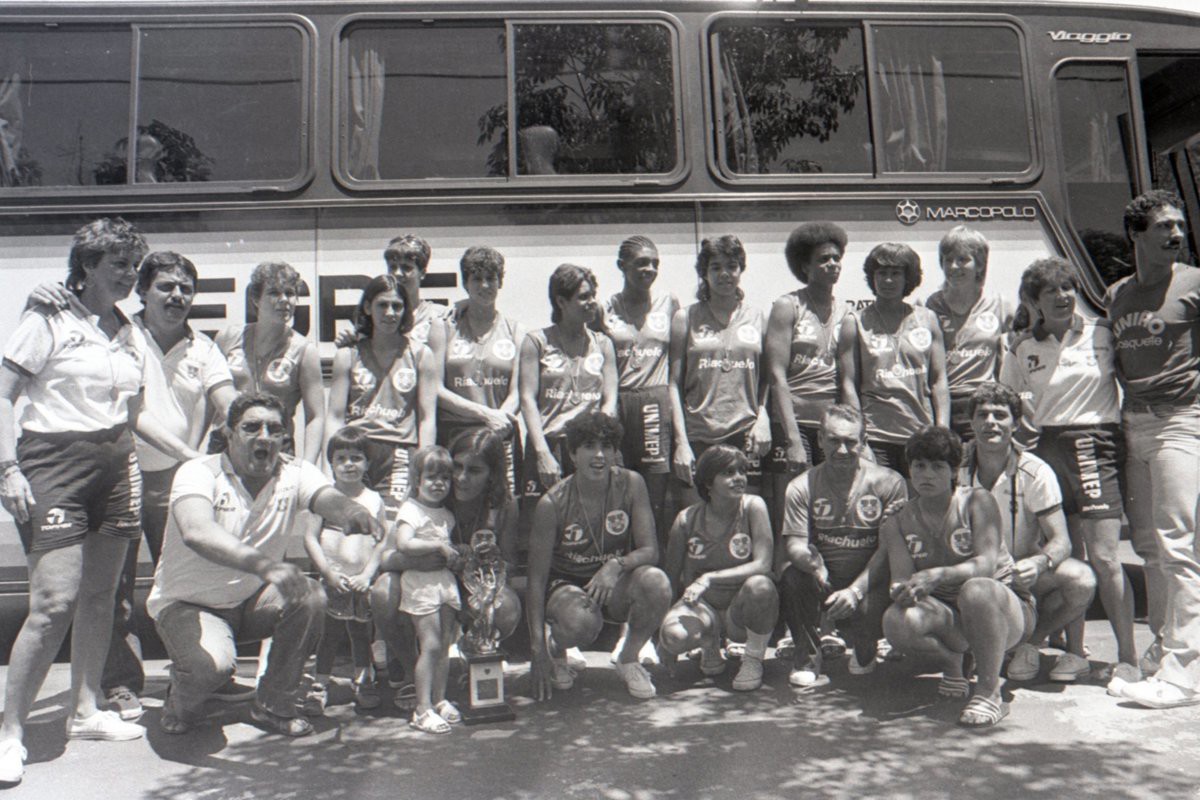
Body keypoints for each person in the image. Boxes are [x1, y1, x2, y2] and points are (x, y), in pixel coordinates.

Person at [0, 219, 203, 784]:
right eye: (117, 263)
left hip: (116, 467)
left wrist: (192, 455)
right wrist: (7, 468)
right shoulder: (47, 317)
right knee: (52, 604)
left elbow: (135, 416)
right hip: (53, 467)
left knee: (98, 599)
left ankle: (84, 710)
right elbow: (3, 393)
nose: (128, 274)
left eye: (132, 265)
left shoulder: (128, 331)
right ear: (86, 266)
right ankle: (8, 731)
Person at [25, 249, 240, 721]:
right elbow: (126, 407)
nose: (177, 296)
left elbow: (228, 401)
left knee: (189, 581)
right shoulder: (120, 333)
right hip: (121, 474)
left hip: (178, 483)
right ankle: (119, 684)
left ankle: (203, 672)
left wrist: (244, 421)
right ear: (142, 291)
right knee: (113, 590)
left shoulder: (202, 347)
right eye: (165, 286)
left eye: (185, 288)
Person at [147, 393, 382, 738]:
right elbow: (197, 531)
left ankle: (273, 704)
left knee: (310, 595)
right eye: (251, 427)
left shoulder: (295, 471)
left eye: (274, 429)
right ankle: (182, 696)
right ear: (229, 433)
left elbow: (326, 498)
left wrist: (352, 513)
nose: (264, 437)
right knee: (208, 669)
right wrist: (265, 567)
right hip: (188, 605)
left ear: (285, 437)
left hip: (251, 602)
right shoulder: (198, 471)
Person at [1000, 257, 1139, 686]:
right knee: (1068, 557)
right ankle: (1074, 652)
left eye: (1068, 288)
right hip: (1047, 448)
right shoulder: (1023, 346)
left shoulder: (1102, 330)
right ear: (1034, 302)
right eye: (1051, 292)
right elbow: (1008, 400)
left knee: (1106, 558)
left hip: (1095, 444)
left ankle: (1129, 659)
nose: (1062, 297)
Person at [1106, 190, 1200, 708]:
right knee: (1150, 550)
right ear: (1137, 236)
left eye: (1180, 225)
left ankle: (1185, 674)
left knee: (1178, 545)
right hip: (1133, 426)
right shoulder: (1117, 294)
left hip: (1180, 424)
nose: (1177, 235)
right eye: (1164, 226)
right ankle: (1166, 651)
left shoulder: (1193, 283)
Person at [881, 426, 1031, 728]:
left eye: (937, 466)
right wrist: (902, 591)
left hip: (1003, 610)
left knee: (976, 589)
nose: (927, 474)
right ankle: (954, 661)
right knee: (896, 620)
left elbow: (986, 565)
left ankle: (990, 693)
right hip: (950, 615)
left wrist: (937, 575)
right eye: (919, 465)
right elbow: (900, 578)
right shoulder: (897, 519)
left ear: (953, 471)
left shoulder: (977, 501)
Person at [369, 428, 523, 711]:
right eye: (458, 467)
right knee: (382, 592)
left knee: (506, 606)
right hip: (423, 581)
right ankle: (410, 669)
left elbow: (508, 564)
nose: (461, 478)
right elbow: (386, 558)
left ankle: (474, 654)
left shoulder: (503, 505)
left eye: (474, 470)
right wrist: (420, 560)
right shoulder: (430, 493)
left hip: (468, 587)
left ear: (492, 473)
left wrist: (479, 566)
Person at [526, 412, 671, 700]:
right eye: (589, 446)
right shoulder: (552, 503)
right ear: (572, 453)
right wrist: (537, 650)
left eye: (607, 447)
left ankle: (628, 658)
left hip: (611, 583)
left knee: (657, 582)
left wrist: (616, 565)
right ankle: (558, 649)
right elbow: (536, 580)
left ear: (616, 452)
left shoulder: (632, 484)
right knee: (580, 622)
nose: (599, 455)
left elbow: (650, 550)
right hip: (567, 587)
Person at [960, 383, 1096, 683]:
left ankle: (1028, 643)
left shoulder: (1036, 471)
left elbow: (1062, 540)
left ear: (1015, 423)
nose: (990, 422)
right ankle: (975, 649)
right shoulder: (954, 467)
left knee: (1081, 579)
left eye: (1000, 415)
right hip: (970, 575)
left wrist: (1040, 563)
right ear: (971, 423)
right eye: (982, 415)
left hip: (1020, 576)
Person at [778, 404, 907, 687]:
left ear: (864, 443)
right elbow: (796, 545)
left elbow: (890, 550)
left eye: (850, 442)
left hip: (869, 580)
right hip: (824, 577)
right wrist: (811, 563)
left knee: (863, 656)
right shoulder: (801, 486)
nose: (842, 450)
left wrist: (856, 590)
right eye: (834, 440)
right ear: (820, 439)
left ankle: (866, 646)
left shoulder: (889, 482)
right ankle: (807, 657)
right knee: (792, 577)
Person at [658, 445, 777, 691]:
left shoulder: (754, 506)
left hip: (740, 611)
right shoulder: (686, 519)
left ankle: (753, 659)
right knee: (674, 636)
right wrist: (662, 639)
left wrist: (710, 577)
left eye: (742, 472)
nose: (739, 479)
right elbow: (669, 579)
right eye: (728, 473)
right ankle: (709, 644)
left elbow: (763, 564)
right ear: (708, 483)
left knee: (762, 586)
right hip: (702, 607)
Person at [669, 235, 771, 508]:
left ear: (741, 270)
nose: (725, 274)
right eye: (716, 267)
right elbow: (673, 386)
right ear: (704, 273)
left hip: (745, 435)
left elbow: (767, 381)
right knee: (697, 521)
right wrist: (681, 442)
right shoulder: (685, 318)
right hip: (699, 435)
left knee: (745, 520)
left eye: (732, 266)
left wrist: (763, 419)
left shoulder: (758, 317)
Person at [839, 243, 950, 476]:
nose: (888, 280)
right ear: (872, 277)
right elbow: (848, 383)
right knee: (879, 505)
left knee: (921, 506)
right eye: (881, 273)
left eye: (895, 273)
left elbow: (939, 380)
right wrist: (859, 436)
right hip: (877, 436)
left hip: (921, 434)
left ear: (908, 277)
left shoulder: (928, 319)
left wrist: (942, 431)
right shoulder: (855, 322)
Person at [326, 274, 438, 501]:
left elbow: (427, 417)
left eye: (397, 306)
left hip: (399, 452)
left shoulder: (421, 355)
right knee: (353, 523)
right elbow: (335, 416)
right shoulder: (348, 355)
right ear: (367, 307)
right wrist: (331, 462)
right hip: (355, 450)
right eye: (382, 305)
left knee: (392, 522)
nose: (390, 313)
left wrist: (422, 465)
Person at [598, 235, 680, 545]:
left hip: (654, 404)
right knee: (617, 491)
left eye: (655, 263)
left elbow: (679, 361)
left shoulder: (668, 302)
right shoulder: (605, 307)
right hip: (619, 404)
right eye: (641, 262)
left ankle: (652, 568)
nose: (649, 269)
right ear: (622, 266)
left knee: (654, 496)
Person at [303, 427, 388, 714]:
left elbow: (382, 540)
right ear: (331, 463)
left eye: (356, 457)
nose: (349, 464)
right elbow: (310, 538)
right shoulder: (324, 498)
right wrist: (326, 572)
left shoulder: (374, 499)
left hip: (360, 581)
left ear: (367, 463)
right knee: (329, 635)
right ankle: (320, 684)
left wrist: (368, 575)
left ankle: (363, 680)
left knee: (361, 632)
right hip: (333, 578)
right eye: (341, 458)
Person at [519, 264, 618, 500]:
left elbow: (610, 399)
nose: (592, 302)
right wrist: (542, 452)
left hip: (589, 446)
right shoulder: (537, 341)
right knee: (541, 522)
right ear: (561, 302)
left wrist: (599, 443)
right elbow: (527, 399)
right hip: (550, 443)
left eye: (593, 295)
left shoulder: (603, 344)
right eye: (583, 297)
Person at [215, 261, 324, 462]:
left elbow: (316, 417)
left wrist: (307, 466)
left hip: (275, 446)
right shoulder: (228, 337)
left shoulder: (304, 350)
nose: (284, 300)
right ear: (256, 299)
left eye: (290, 294)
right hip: (226, 443)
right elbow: (207, 403)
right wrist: (192, 448)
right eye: (274, 293)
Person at [766, 222, 851, 478]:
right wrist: (793, 438)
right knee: (792, 503)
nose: (833, 263)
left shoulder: (846, 312)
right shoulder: (788, 306)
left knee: (829, 503)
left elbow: (847, 380)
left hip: (830, 426)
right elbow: (776, 375)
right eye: (824, 259)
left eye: (837, 258)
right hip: (794, 422)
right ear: (805, 267)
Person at [438, 246, 522, 493]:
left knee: (503, 508)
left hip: (499, 434)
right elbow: (434, 388)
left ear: (500, 281)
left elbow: (519, 390)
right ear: (465, 283)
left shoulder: (516, 331)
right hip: (455, 433)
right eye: (477, 279)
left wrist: (500, 419)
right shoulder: (444, 327)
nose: (485, 286)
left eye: (491, 278)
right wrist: (485, 414)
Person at [394, 446, 463, 734]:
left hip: (443, 583)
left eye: (445, 478)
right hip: (421, 584)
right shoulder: (411, 509)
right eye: (431, 477)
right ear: (417, 479)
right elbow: (404, 543)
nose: (438, 484)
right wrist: (437, 546)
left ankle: (439, 699)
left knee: (445, 645)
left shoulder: (447, 515)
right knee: (431, 645)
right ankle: (421, 708)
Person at [923, 227, 1012, 439]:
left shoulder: (1001, 305)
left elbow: (1009, 363)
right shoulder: (928, 306)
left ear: (980, 264)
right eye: (947, 259)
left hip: (983, 404)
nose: (954, 266)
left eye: (963, 259)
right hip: (940, 403)